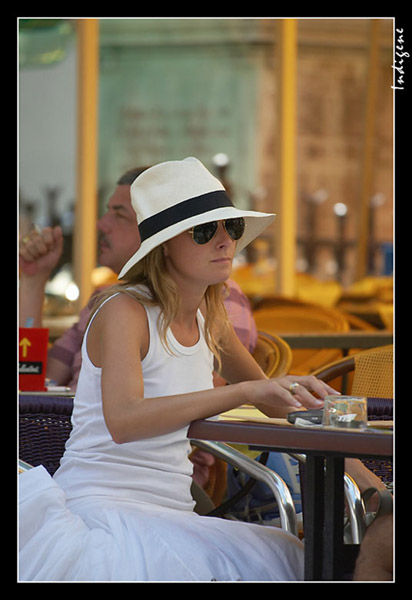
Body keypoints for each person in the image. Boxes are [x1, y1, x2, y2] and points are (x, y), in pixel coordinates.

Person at [19, 157, 338, 582]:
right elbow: (124, 419)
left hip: (173, 513)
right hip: (106, 511)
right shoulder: (123, 309)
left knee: (291, 553)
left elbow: (274, 400)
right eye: (206, 231)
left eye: (232, 228)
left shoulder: (212, 317)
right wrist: (245, 394)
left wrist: (342, 437)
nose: (225, 242)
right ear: (165, 244)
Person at [19, 167, 257, 391]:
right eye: (205, 230)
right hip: (66, 431)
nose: (101, 224)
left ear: (153, 233)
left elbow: (200, 397)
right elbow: (31, 381)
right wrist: (33, 282)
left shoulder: (217, 298)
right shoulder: (105, 298)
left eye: (120, 215)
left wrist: (249, 392)